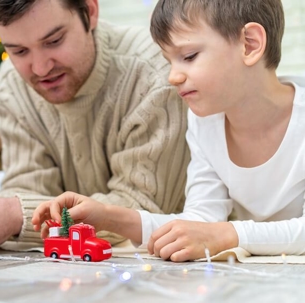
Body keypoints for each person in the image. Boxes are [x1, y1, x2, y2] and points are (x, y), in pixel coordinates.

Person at [0, 0, 189, 252]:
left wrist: (15, 215)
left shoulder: (155, 73)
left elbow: (144, 211)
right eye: (18, 51)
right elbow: (28, 191)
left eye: (54, 41)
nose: (40, 68)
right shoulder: (12, 85)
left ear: (90, 11)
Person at [33, 0, 305, 262]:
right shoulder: (204, 123)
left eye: (189, 56)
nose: (172, 76)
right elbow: (200, 222)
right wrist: (106, 216)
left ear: (250, 44)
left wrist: (228, 235)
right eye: (169, 61)